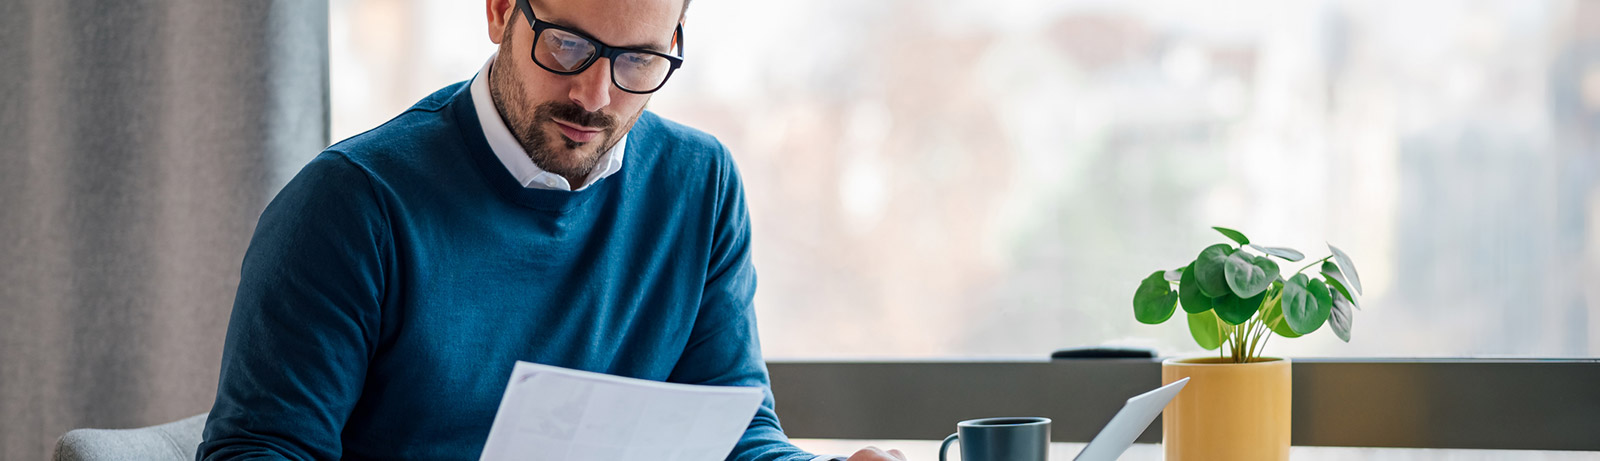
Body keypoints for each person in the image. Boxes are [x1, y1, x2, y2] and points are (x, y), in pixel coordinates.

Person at [196, 0, 907, 460]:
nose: (595, 96)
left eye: (638, 62)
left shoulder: (701, 186)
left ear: (676, 43)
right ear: (501, 10)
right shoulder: (351, 206)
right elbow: (259, 452)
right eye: (568, 45)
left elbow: (737, 434)